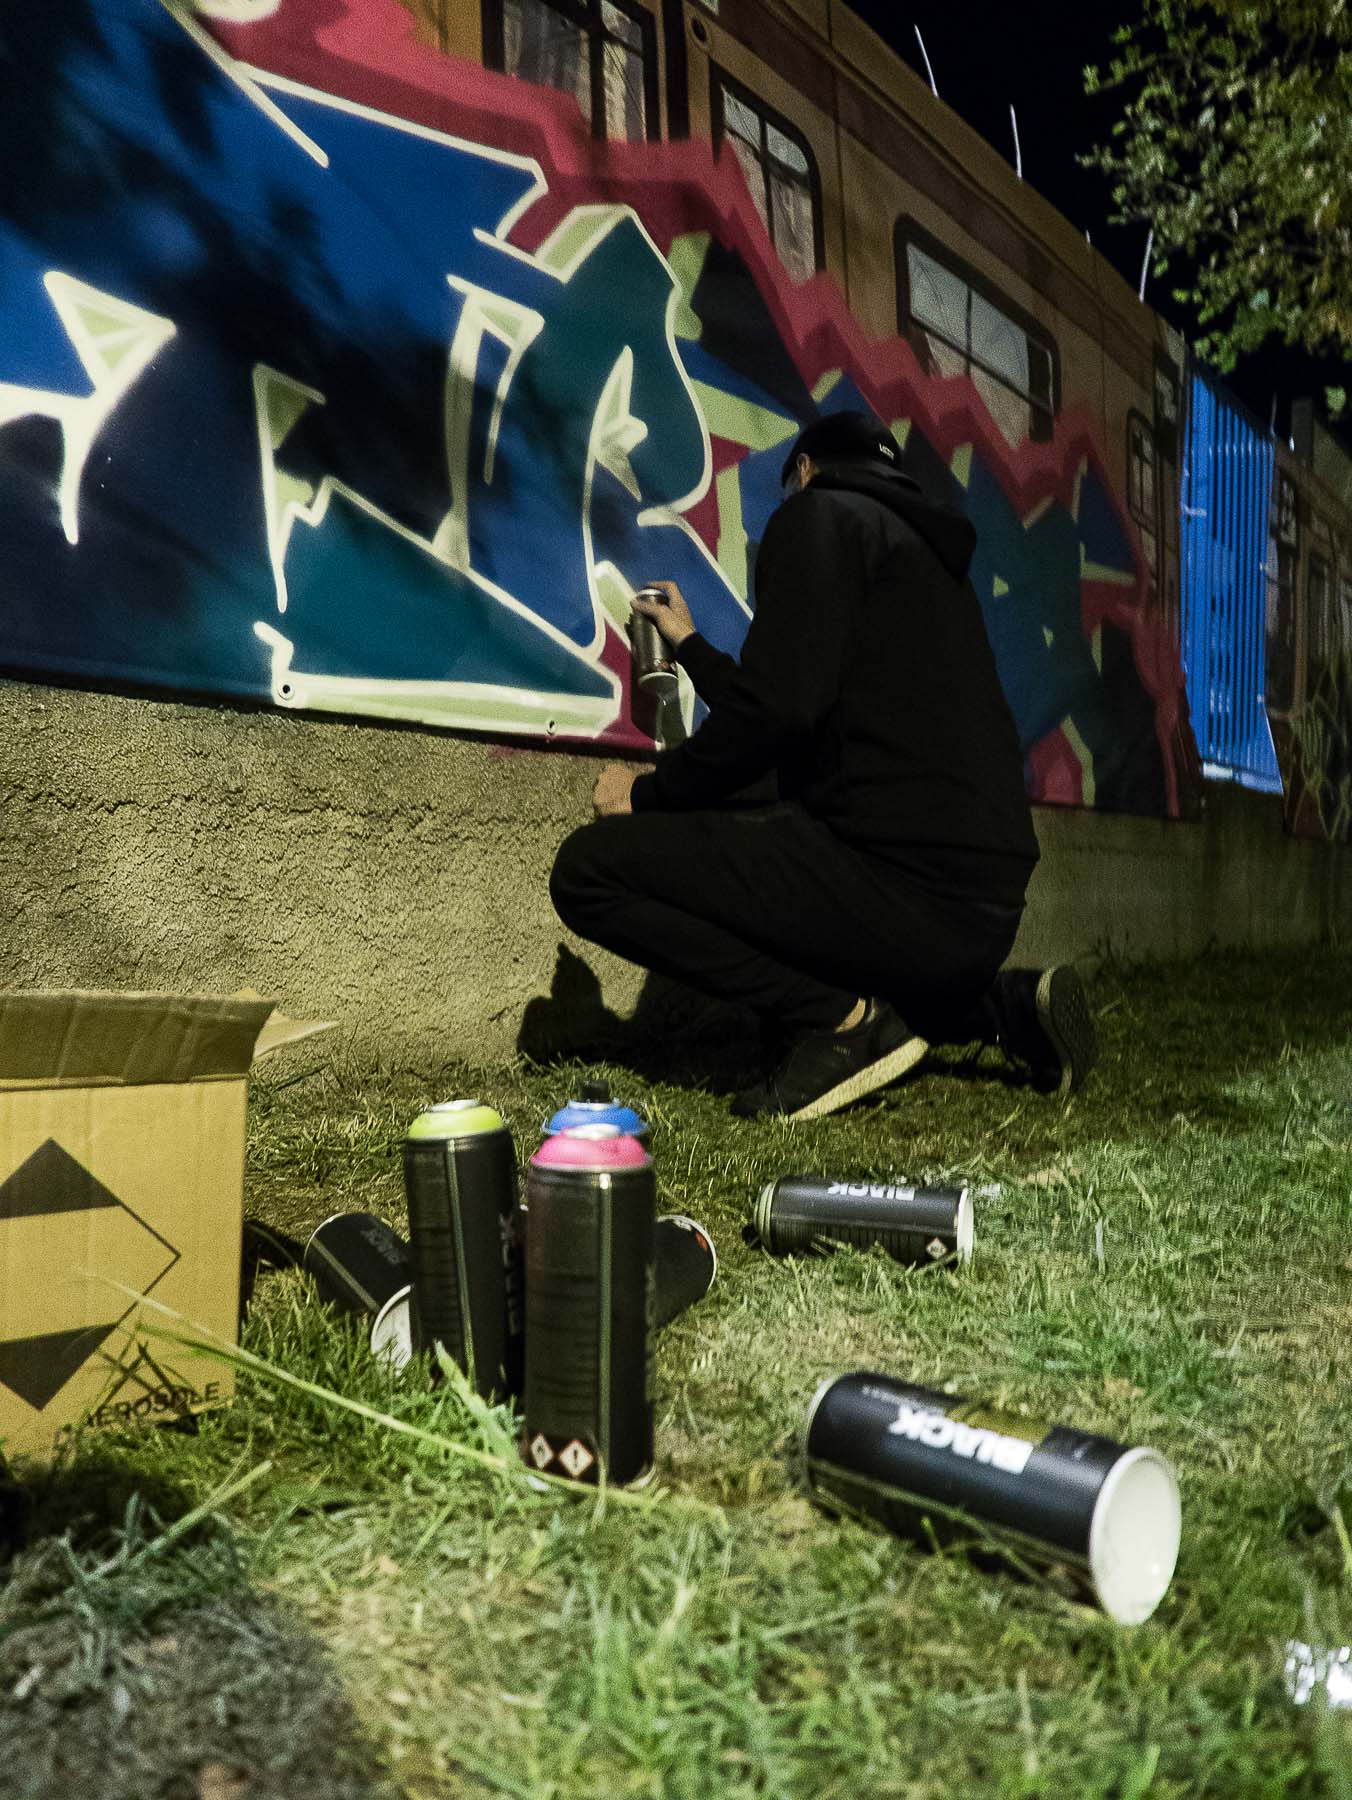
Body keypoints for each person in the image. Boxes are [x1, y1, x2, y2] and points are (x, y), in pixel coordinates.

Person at [549, 410, 1097, 1118]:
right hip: (978, 910)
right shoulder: (927, 564)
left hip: (896, 881)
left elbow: (775, 716)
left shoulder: (817, 517)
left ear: (805, 470)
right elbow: (792, 709)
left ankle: (839, 1025)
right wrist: (688, 644)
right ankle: (1004, 1006)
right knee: (778, 808)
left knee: (588, 872)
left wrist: (649, 794)